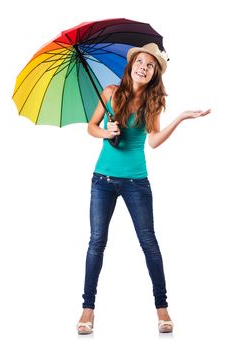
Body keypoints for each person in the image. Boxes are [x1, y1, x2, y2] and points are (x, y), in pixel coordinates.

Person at [76, 43, 211, 335]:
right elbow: (91, 126)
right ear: (131, 65)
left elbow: (153, 141)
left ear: (154, 74)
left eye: (150, 65)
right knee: (96, 243)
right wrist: (105, 132)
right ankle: (88, 310)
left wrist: (181, 118)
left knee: (148, 242)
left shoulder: (153, 102)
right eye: (140, 61)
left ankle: (162, 310)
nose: (143, 67)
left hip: (137, 182)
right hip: (102, 180)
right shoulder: (110, 92)